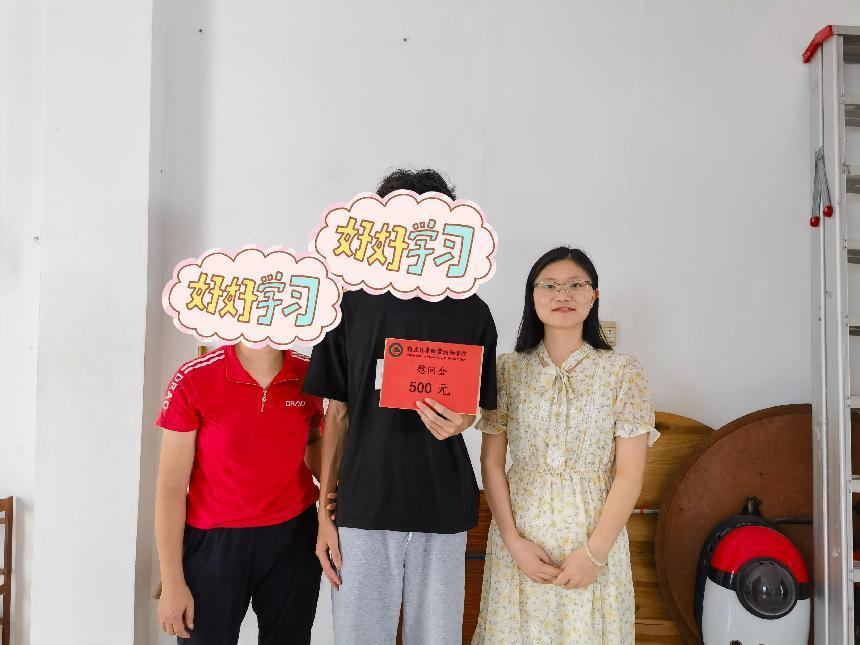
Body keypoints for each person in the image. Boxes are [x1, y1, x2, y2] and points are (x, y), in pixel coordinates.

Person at [303, 168, 498, 645]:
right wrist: (325, 514)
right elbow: (336, 413)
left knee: (437, 638)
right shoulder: (347, 305)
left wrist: (463, 421)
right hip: (365, 503)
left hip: (442, 502)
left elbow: (477, 409)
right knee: (359, 637)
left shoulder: (472, 310)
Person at [472, 246, 659, 644]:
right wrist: (513, 542)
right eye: (549, 285)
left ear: (594, 295)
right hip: (520, 542)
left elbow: (630, 472)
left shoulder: (622, 371)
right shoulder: (506, 370)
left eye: (576, 285)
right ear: (532, 295)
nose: (563, 295)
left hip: (594, 541)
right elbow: (491, 463)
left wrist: (594, 553)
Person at [154, 342, 324, 644]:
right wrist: (172, 582)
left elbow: (313, 440)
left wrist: (340, 495)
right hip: (213, 542)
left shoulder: (309, 373)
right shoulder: (193, 378)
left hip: (294, 535)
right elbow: (171, 487)